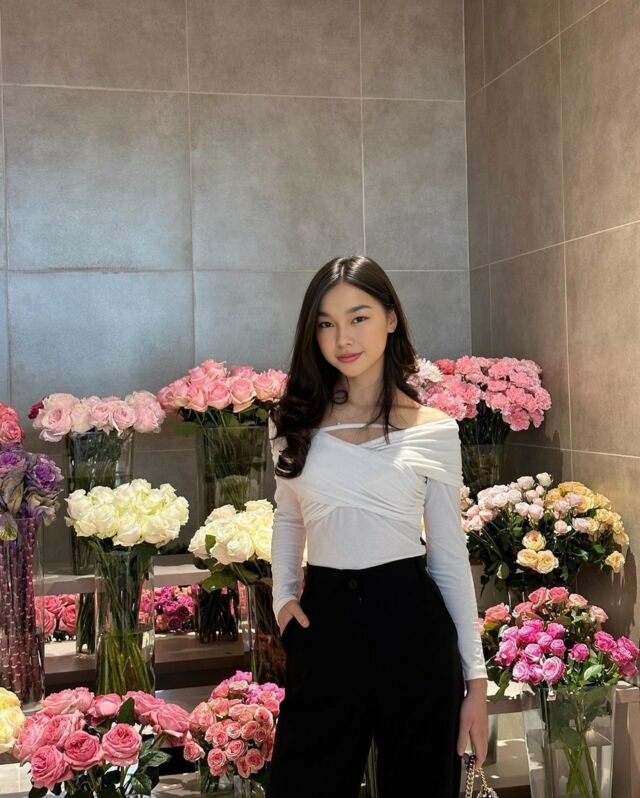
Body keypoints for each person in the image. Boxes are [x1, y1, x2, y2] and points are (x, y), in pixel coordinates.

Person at [265, 256, 488, 798]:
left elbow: (448, 557)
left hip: (413, 624)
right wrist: (283, 598)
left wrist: (476, 681)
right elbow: (288, 516)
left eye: (358, 317)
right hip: (324, 624)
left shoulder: (434, 430)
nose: (343, 338)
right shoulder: (292, 423)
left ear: (391, 318)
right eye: (326, 323)